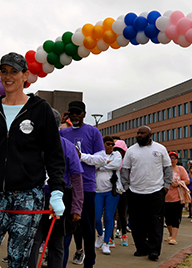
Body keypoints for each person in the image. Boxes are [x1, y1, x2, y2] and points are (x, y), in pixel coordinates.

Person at [0, 52, 66, 268]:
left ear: (25, 75)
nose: (7, 76)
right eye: (3, 71)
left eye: (13, 71)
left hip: (28, 196)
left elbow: (54, 156)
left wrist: (57, 191)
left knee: (19, 260)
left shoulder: (41, 110)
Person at [28, 109, 84, 268]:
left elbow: (77, 179)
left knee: (56, 244)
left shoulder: (67, 146)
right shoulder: (29, 145)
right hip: (33, 200)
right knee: (33, 241)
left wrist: (77, 207)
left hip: (58, 201)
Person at [59, 101, 106, 268]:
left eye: (78, 112)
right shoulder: (63, 133)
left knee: (87, 228)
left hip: (86, 187)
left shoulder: (93, 132)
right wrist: (60, 123)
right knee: (63, 230)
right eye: (71, 112)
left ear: (84, 114)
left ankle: (89, 262)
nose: (75, 115)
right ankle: (60, 263)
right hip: (65, 187)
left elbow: (101, 159)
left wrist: (80, 156)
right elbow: (52, 142)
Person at [120, 126, 172, 262]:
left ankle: (154, 251)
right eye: (138, 133)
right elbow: (125, 170)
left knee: (155, 222)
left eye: (142, 133)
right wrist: (126, 187)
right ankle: (141, 248)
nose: (139, 135)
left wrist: (166, 186)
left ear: (150, 135)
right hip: (135, 192)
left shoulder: (160, 149)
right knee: (136, 222)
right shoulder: (131, 150)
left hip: (155, 192)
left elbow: (168, 168)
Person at [94, 136, 123, 256]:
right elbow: (93, 165)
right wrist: (104, 164)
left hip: (112, 191)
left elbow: (116, 165)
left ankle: (106, 243)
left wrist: (101, 166)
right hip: (97, 191)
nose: (111, 146)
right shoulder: (96, 153)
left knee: (109, 218)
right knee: (96, 217)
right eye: (108, 144)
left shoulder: (116, 155)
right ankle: (100, 235)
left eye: (112, 144)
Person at [164, 152, 189, 245]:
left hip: (177, 197)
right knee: (167, 218)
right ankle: (171, 235)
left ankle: (174, 237)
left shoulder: (180, 169)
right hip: (166, 197)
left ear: (177, 160)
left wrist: (178, 183)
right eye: (170, 158)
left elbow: (187, 181)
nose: (172, 160)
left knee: (176, 217)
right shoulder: (164, 169)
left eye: (174, 158)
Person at [112, 140, 130, 247]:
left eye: (121, 150)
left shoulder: (127, 162)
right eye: (116, 150)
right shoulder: (111, 159)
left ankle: (124, 234)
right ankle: (110, 237)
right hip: (112, 189)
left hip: (123, 190)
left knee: (123, 214)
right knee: (110, 214)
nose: (118, 152)